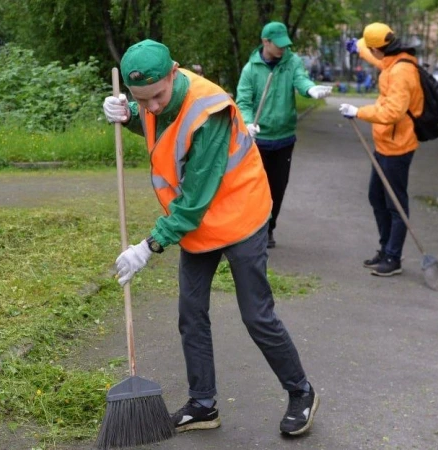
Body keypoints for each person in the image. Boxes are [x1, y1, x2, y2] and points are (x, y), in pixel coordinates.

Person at [103, 39, 319, 437]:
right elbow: (155, 120)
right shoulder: (155, 99)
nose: (152, 106)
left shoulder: (210, 110)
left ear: (175, 72)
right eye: (141, 99)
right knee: (191, 314)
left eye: (156, 97)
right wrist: (127, 113)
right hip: (201, 226)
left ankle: (300, 391)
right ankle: (203, 404)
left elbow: (193, 200)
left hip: (240, 217)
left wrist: (148, 246)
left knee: (257, 315)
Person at [236, 21, 331, 248]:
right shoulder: (251, 69)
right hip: (258, 140)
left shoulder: (292, 62)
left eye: (284, 45)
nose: (282, 49)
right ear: (265, 42)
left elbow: (300, 79)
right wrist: (248, 123)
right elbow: (243, 101)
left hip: (284, 139)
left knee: (278, 187)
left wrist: (310, 89)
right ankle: (251, 230)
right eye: (277, 45)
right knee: (255, 188)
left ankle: (269, 229)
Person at [339, 22, 423, 277]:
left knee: (395, 203)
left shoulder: (401, 72)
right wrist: (357, 47)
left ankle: (393, 257)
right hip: (385, 144)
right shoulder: (392, 59)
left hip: (398, 147)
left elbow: (392, 112)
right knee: (377, 197)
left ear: (380, 48)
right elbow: (376, 58)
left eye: (369, 48)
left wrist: (358, 112)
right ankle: (386, 248)